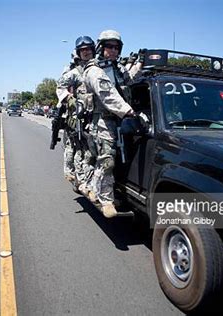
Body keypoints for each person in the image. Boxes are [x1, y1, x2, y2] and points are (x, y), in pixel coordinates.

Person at [83, 29, 143, 218]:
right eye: (109, 46)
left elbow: (128, 79)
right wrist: (129, 111)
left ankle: (97, 188)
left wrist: (140, 62)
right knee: (107, 160)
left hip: (120, 120)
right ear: (101, 47)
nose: (114, 50)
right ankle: (106, 201)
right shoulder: (95, 70)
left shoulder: (116, 67)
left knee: (118, 161)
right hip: (104, 120)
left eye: (117, 47)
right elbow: (108, 96)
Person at [56, 36, 96, 187]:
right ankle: (75, 176)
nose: (86, 53)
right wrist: (69, 100)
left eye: (89, 49)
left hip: (94, 116)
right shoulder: (73, 72)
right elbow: (60, 86)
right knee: (74, 146)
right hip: (76, 116)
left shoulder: (98, 69)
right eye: (82, 51)